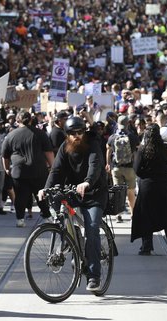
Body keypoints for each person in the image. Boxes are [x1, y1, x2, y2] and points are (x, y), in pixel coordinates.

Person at [38, 116, 108, 291]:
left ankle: (94, 276)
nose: (77, 136)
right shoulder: (64, 147)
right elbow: (56, 170)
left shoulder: (92, 144)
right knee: (58, 210)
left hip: (94, 193)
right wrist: (45, 189)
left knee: (91, 228)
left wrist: (87, 182)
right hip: (73, 192)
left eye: (80, 132)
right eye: (72, 133)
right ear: (67, 134)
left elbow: (95, 165)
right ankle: (69, 239)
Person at [132, 123, 167, 256]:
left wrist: (146, 176)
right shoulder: (166, 148)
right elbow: (166, 164)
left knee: (146, 216)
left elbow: (137, 169)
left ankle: (146, 246)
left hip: (147, 186)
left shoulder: (142, 149)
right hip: (163, 185)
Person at [1, 111, 54, 227]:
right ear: (30, 120)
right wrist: (53, 167)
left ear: (17, 121)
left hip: (19, 171)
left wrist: (6, 169)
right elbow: (49, 152)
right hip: (38, 170)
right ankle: (47, 216)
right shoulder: (40, 134)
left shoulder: (11, 135)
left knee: (20, 196)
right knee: (41, 195)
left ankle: (20, 219)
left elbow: (4, 156)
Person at [106, 115, 139, 220]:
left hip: (116, 167)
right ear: (128, 123)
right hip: (129, 167)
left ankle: (118, 214)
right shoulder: (132, 136)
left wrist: (108, 163)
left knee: (118, 192)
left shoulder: (113, 137)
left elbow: (108, 150)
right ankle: (133, 213)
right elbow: (137, 151)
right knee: (131, 191)